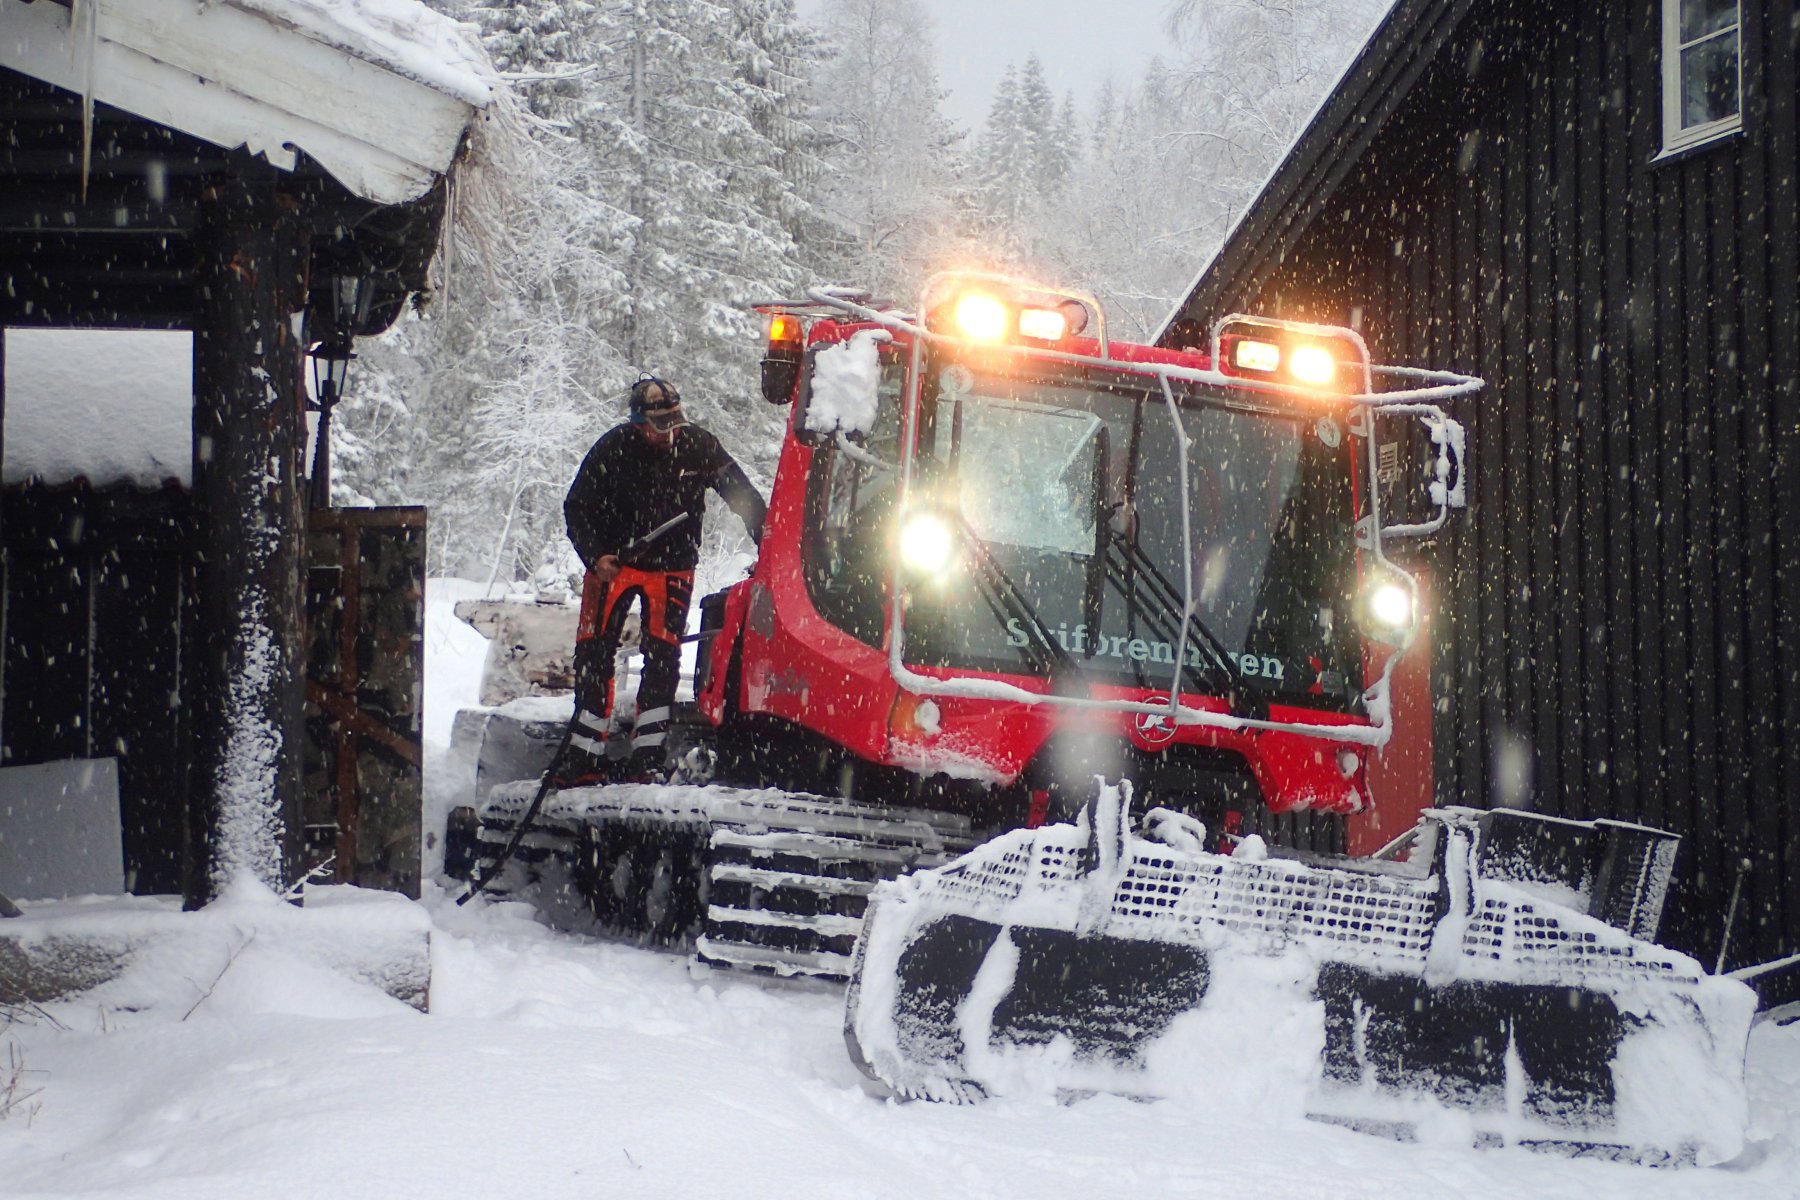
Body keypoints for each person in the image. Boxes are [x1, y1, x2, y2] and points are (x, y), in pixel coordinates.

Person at [555, 376, 766, 785]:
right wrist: (595, 555)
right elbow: (576, 506)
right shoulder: (613, 448)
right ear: (638, 422)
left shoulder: (699, 445)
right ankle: (584, 756)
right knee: (593, 654)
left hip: (673, 567)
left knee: (664, 658)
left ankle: (646, 756)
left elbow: (743, 495)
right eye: (659, 425)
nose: (669, 433)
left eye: (674, 421)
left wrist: (769, 545)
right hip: (613, 565)